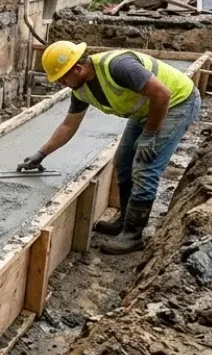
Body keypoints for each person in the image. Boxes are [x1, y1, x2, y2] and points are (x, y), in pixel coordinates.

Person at [18, 41, 201, 254]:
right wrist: (41, 154)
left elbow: (163, 94)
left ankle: (133, 235)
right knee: (123, 161)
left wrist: (149, 135)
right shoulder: (80, 89)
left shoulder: (119, 67)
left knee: (145, 166)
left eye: (62, 78)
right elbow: (68, 125)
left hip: (177, 103)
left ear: (77, 68)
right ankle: (125, 220)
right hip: (145, 110)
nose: (62, 84)